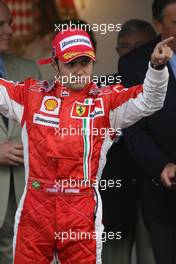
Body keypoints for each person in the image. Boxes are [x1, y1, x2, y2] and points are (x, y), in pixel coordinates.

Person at [0, 24, 172, 263]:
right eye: (71, 64)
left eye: (85, 62)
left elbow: (149, 101)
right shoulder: (32, 95)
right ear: (55, 64)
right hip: (36, 213)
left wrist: (156, 67)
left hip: (81, 215)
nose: (80, 70)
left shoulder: (107, 101)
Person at [118, 1, 176, 264]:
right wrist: (161, 166)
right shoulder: (133, 64)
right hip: (165, 194)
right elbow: (134, 131)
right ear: (158, 24)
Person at [101, 19, 157, 264]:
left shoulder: (166, 87)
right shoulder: (99, 89)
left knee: (155, 256)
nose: (132, 52)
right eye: (125, 46)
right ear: (117, 51)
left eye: (140, 46)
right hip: (113, 196)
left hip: (156, 193)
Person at [0, 1, 41, 263]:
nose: (9, 30)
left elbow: (46, 129)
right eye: (0, 25)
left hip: (22, 197)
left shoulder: (29, 70)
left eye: (10, 23)